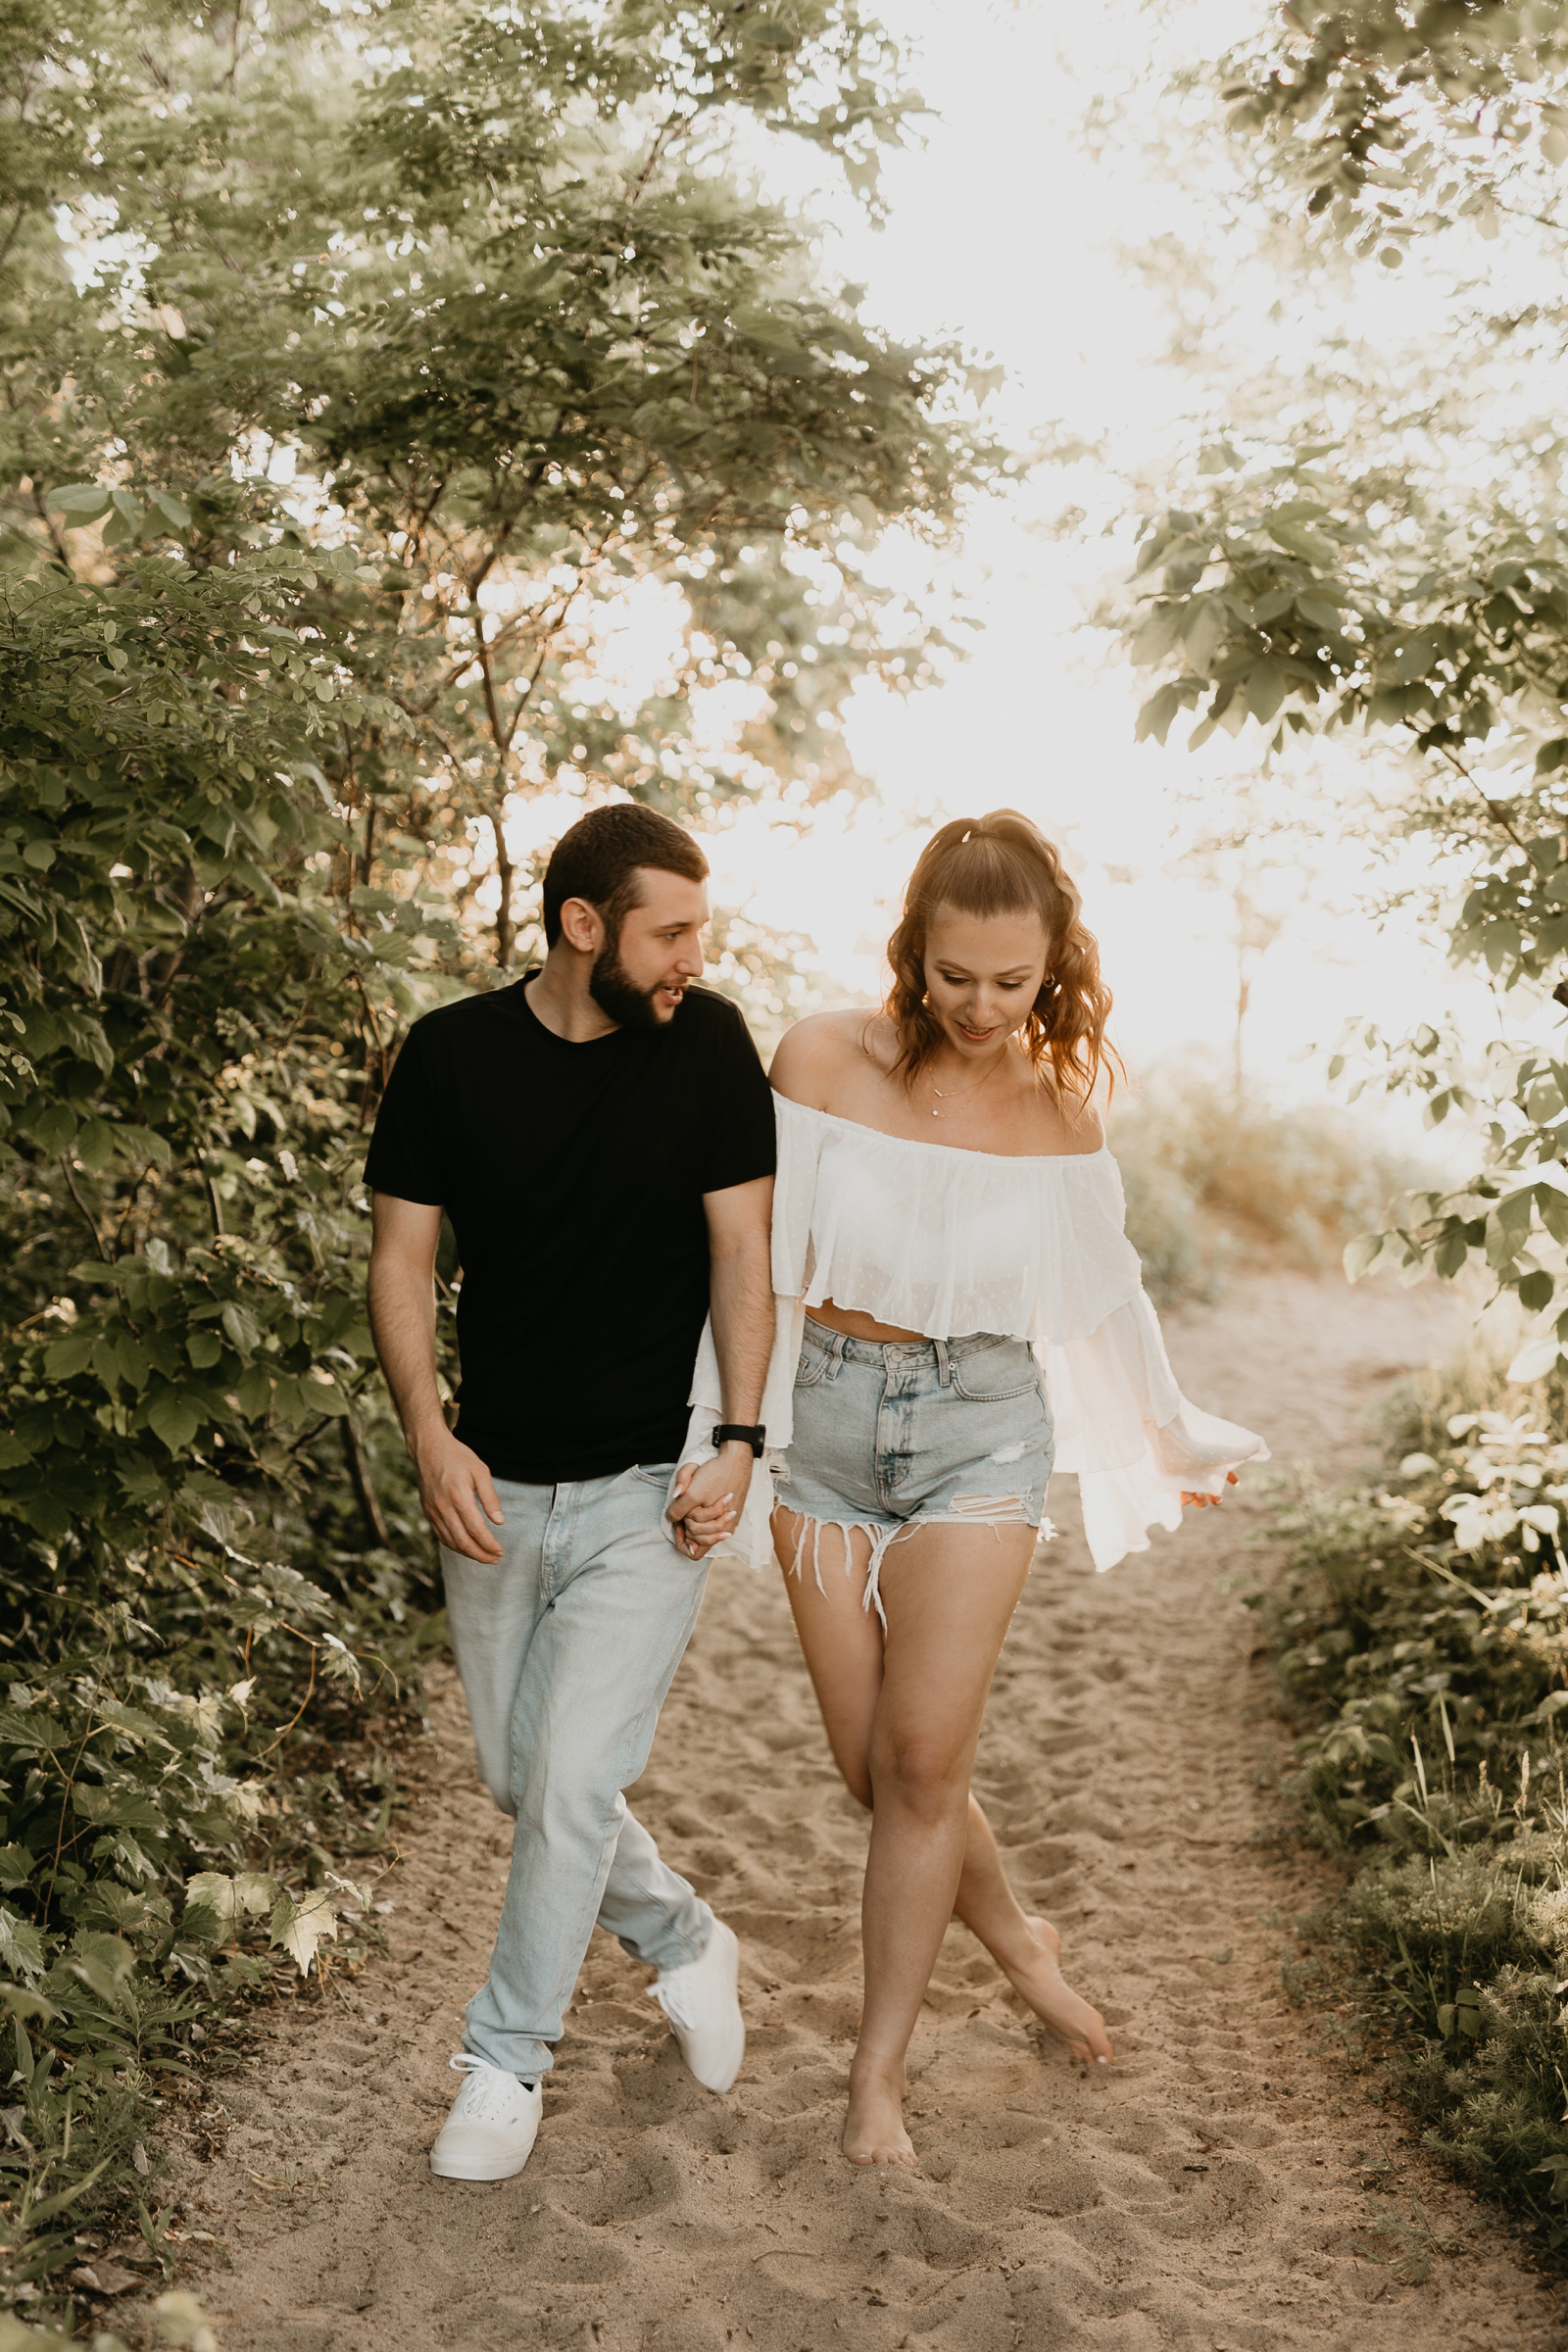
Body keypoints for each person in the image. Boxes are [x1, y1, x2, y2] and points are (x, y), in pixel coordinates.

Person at [681, 810, 1266, 2169]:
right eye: (957, 977)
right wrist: (728, 1428)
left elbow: (1102, 1301)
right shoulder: (819, 1060)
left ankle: (874, 2074)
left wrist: (1165, 1441)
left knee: (925, 1759)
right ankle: (1016, 1934)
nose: (986, 1007)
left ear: (1055, 963)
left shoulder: (1060, 1110)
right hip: (820, 1428)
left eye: (1015, 982)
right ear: (913, 951)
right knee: (868, 1768)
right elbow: (746, 1254)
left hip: (981, 1435)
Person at [365, 803, 776, 2184]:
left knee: (570, 1782)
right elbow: (405, 1265)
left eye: (698, 934)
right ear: (582, 928)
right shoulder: (450, 1059)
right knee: (521, 1776)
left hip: (650, 1487)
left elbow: (743, 1257)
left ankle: (504, 2061)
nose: (690, 959)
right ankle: (681, 1937)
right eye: (669, 933)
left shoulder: (708, 1046)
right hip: (493, 1482)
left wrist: (738, 1438)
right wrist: (429, 1432)